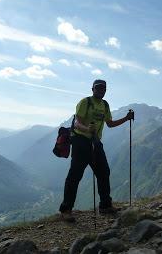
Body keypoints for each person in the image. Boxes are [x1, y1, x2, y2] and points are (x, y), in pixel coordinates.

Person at [59, 79, 133, 222]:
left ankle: (105, 206)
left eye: (103, 88)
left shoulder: (105, 105)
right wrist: (87, 129)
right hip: (80, 141)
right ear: (92, 89)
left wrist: (126, 118)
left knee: (103, 172)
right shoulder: (85, 102)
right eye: (98, 88)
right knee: (74, 176)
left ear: (105, 90)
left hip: (95, 142)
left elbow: (110, 124)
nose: (101, 90)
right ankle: (66, 210)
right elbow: (76, 122)